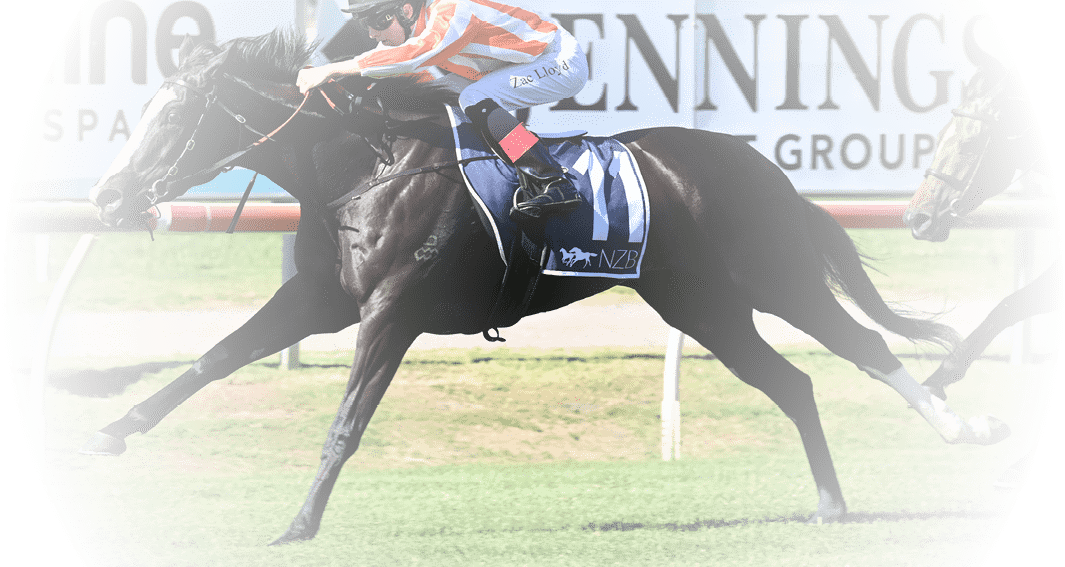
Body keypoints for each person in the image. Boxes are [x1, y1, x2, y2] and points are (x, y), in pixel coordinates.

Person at [297, 0, 588, 222]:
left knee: (475, 97)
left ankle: (552, 180)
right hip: (511, 66)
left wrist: (333, 68)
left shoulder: (452, 11)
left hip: (559, 61)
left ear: (406, 10)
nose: (372, 32)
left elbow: (412, 57)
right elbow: (382, 58)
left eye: (377, 21)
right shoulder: (420, 21)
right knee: (432, 97)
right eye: (365, 25)